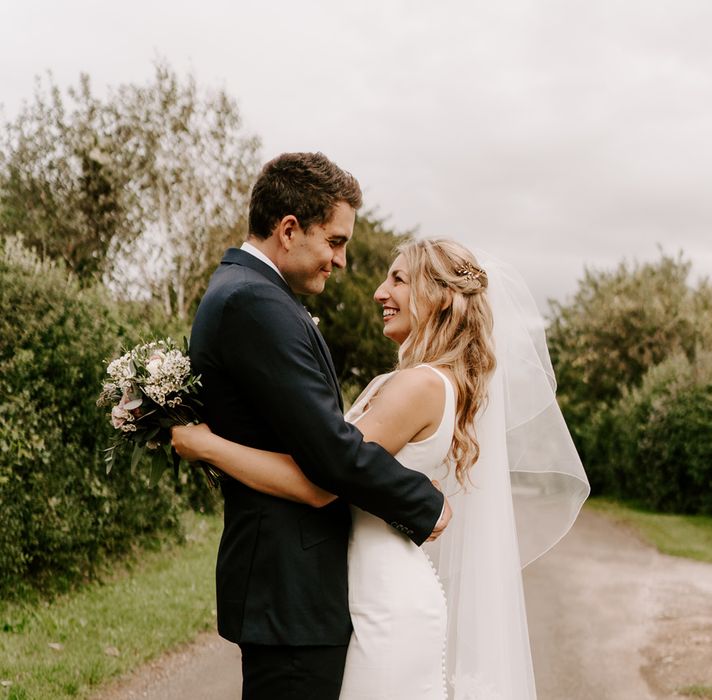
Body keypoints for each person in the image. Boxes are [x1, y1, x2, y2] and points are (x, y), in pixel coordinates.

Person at [175, 238, 591, 698]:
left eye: (398, 279)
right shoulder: (429, 381)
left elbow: (321, 481)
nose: (379, 292)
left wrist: (208, 446)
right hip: (372, 590)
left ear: (438, 296)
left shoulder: (418, 386)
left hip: (386, 602)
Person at [186, 152, 450, 700]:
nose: (343, 261)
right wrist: (424, 503)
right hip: (291, 593)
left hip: (291, 589)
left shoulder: (249, 293)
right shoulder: (255, 302)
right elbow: (330, 453)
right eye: (335, 241)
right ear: (289, 230)